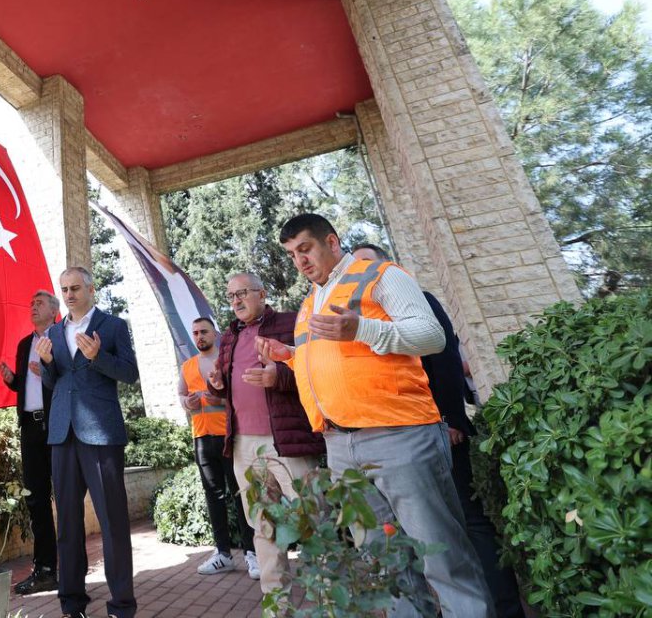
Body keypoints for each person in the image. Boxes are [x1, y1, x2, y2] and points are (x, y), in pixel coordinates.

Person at [264, 213, 493, 618]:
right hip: (340, 447)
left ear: (332, 242)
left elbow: (431, 335)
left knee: (441, 557)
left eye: (305, 249)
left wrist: (362, 329)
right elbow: (334, 365)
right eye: (291, 255)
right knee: (386, 565)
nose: (299, 261)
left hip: (400, 436)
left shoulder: (382, 275)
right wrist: (291, 357)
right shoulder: (309, 303)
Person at [351, 244, 524, 618]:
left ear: (388, 267)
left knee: (469, 524)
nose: (363, 275)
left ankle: (506, 610)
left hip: (437, 431)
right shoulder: (365, 318)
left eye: (369, 265)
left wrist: (451, 420)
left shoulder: (418, 300)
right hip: (398, 441)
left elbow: (444, 360)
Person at [204, 273, 324, 592]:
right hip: (244, 446)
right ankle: (276, 605)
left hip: (287, 441)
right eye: (230, 296)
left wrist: (279, 378)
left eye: (242, 293)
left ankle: (331, 597)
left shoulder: (290, 322)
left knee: (312, 519)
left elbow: (316, 370)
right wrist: (215, 384)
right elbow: (226, 386)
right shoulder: (228, 336)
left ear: (262, 293)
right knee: (262, 527)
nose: (236, 301)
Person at [38, 267, 139, 618]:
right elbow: (55, 383)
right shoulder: (52, 331)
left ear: (91, 289)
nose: (68, 294)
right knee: (66, 523)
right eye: (64, 289)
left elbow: (129, 373)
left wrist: (99, 358)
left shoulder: (113, 326)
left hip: (101, 434)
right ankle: (72, 603)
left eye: (75, 288)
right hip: (61, 434)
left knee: (112, 522)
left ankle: (122, 605)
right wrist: (48, 364)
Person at [178, 316, 258, 576]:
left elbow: (241, 396)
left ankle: (252, 553)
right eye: (195, 332)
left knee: (240, 495)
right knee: (214, 497)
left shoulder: (226, 363)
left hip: (229, 436)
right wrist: (186, 402)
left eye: (204, 331)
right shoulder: (187, 366)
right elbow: (181, 394)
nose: (199, 336)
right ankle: (222, 553)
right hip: (201, 438)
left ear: (215, 334)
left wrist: (214, 398)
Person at [0, 289, 60, 595]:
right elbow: (27, 386)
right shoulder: (25, 345)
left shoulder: (63, 338)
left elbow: (70, 379)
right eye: (31, 303)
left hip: (58, 427)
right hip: (30, 429)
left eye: (39, 304)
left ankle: (71, 568)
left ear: (54, 311)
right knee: (35, 500)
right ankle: (45, 569)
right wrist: (13, 380)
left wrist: (49, 368)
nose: (33, 307)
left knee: (66, 497)